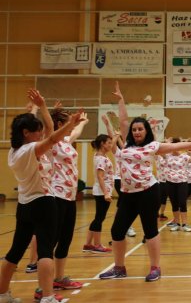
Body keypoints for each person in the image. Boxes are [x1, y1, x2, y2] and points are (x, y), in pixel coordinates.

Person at [98, 81, 191, 282]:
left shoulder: (153, 146)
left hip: (148, 192)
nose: (137, 132)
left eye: (140, 129)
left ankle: (155, 267)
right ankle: (119, 267)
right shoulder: (127, 147)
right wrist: (121, 100)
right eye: (135, 130)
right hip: (128, 194)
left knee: (150, 230)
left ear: (146, 131)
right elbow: (123, 122)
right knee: (117, 230)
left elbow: (177, 146)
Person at [0, 88, 83, 303]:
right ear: (26, 133)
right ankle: (47, 296)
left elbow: (49, 131)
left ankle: (2, 294)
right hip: (43, 202)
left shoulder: (14, 151)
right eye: (36, 131)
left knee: (15, 252)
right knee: (46, 251)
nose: (40, 134)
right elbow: (53, 137)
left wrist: (40, 107)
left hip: (24, 204)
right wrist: (70, 123)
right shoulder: (31, 150)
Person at [46, 107, 89, 294]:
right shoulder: (52, 141)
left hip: (70, 198)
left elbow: (75, 133)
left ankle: (59, 278)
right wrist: (42, 108)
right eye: (68, 122)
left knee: (65, 240)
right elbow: (49, 126)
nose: (72, 127)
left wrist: (83, 123)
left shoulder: (65, 142)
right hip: (56, 196)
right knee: (51, 241)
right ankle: (43, 287)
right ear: (60, 125)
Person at [83, 131, 115, 254]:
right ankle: (97, 245)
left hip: (102, 191)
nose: (111, 145)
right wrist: (106, 193)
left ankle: (87, 244)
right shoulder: (101, 159)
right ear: (102, 144)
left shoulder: (101, 156)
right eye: (109, 143)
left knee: (98, 218)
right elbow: (100, 177)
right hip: (102, 192)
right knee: (99, 218)